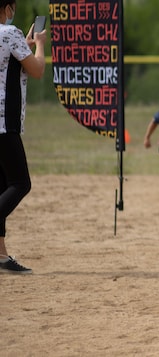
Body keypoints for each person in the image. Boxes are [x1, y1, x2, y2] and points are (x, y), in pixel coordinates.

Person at [0, 0, 47, 274]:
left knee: (2, 185)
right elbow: (38, 70)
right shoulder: (10, 33)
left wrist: (24, 47)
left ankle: (2, 256)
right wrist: (39, 43)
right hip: (4, 123)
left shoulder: (11, 38)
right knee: (20, 183)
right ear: (7, 7)